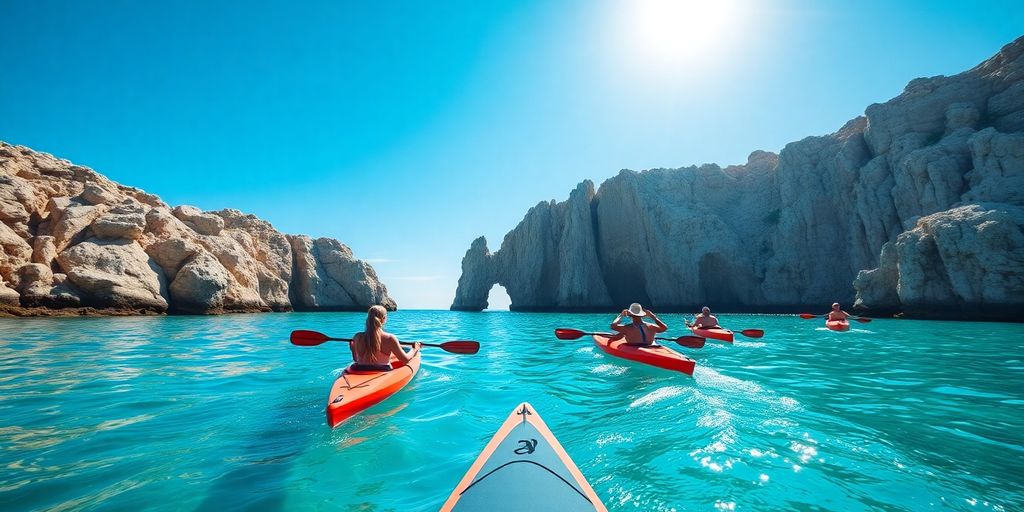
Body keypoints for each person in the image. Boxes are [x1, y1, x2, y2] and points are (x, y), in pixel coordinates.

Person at [349, 305, 419, 371]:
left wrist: (352, 349)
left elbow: (356, 360)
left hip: (360, 369)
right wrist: (415, 349)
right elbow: (405, 359)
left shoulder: (357, 337)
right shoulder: (390, 338)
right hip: (382, 370)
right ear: (384, 319)